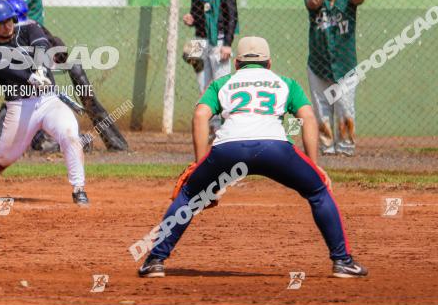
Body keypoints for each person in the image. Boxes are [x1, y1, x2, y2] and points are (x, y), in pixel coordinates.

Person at [136, 36, 367, 280]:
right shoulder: (285, 83)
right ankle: (342, 261)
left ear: (236, 63)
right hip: (275, 148)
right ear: (269, 64)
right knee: (318, 192)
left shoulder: (222, 83)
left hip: (228, 149)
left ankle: (155, 261)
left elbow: (200, 116)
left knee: (189, 195)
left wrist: (200, 164)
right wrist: (313, 166)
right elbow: (308, 118)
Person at [0, 0, 88, 205]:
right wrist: (30, 78)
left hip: (48, 101)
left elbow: (42, 45)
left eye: (10, 20)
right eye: (2, 22)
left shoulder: (29, 29)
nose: (8, 25)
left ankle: (79, 188)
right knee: (4, 159)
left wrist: (40, 69)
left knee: (70, 134)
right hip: (20, 107)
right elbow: (7, 70)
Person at [305, 0, 364, 156]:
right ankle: (327, 149)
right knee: (321, 108)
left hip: (345, 64)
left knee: (345, 107)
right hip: (318, 63)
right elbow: (313, 2)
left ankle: (345, 149)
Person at [182, 0, 239, 93]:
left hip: (219, 41)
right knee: (204, 89)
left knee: (221, 88)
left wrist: (227, 43)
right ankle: (207, 118)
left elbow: (232, 15)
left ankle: (223, 118)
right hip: (200, 41)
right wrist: (190, 19)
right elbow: (197, 17)